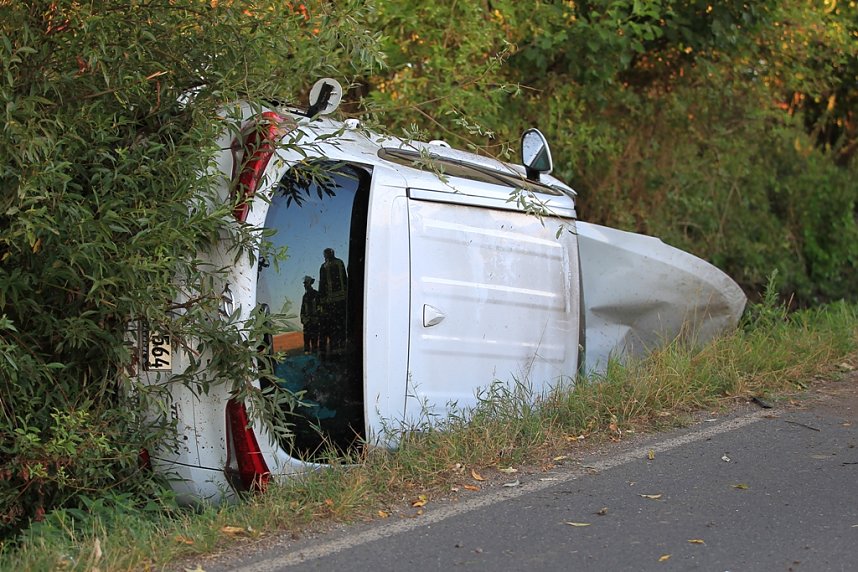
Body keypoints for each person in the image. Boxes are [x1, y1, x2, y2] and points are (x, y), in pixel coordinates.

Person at [318, 248, 347, 352]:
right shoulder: (340, 262)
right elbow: (345, 279)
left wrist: (321, 302)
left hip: (331, 302)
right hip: (342, 299)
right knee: (342, 324)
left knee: (334, 326)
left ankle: (336, 347)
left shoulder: (324, 266)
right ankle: (342, 345)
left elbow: (322, 284)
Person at [300, 275, 320, 353]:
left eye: (306, 283)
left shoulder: (316, 294)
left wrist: (317, 318)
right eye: (304, 284)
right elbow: (302, 310)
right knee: (306, 344)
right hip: (307, 323)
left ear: (310, 283)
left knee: (314, 343)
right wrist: (303, 320)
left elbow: (319, 307)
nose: (305, 285)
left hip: (314, 322)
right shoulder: (304, 297)